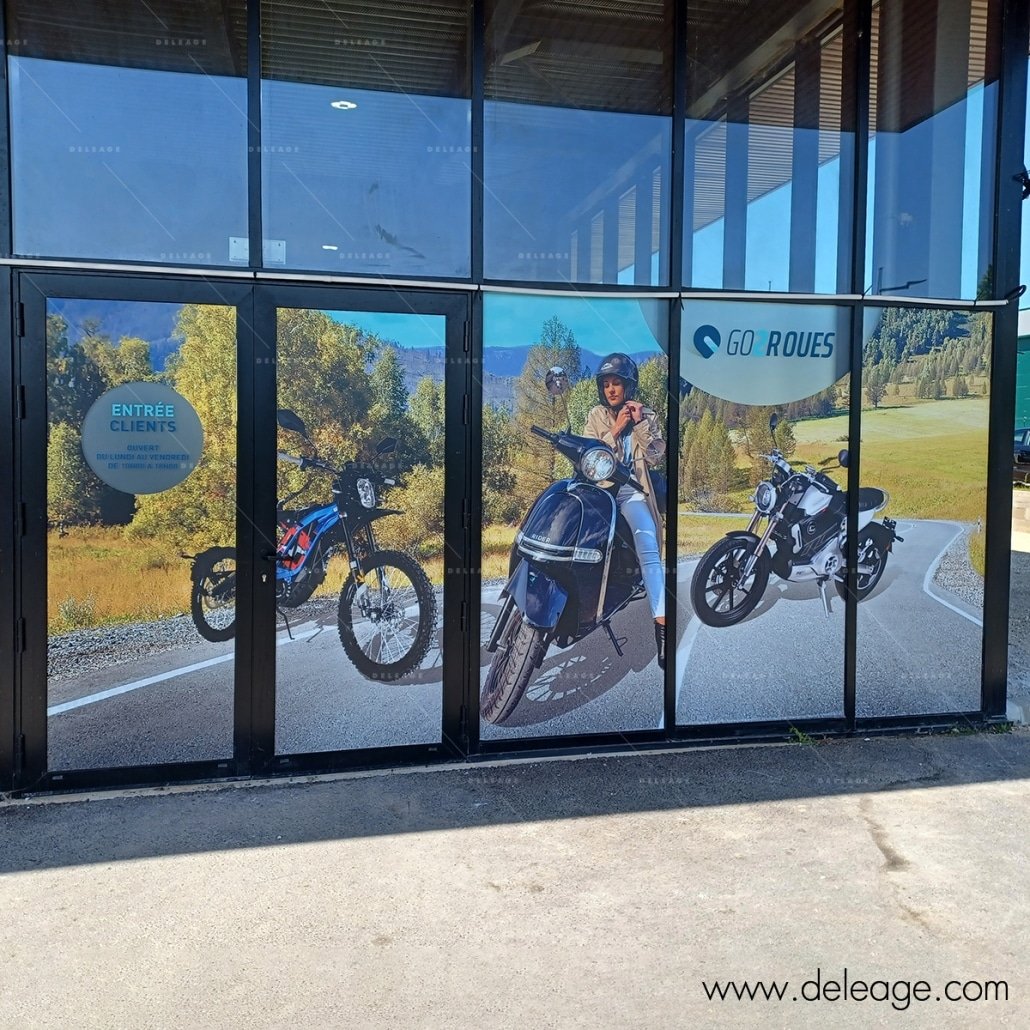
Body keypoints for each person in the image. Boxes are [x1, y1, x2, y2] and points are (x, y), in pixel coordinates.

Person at [583, 353, 667, 670]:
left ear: (628, 386)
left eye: (616, 383)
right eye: (606, 384)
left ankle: (662, 628)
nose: (611, 389)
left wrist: (641, 423)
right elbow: (588, 452)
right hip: (600, 492)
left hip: (631, 493)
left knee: (648, 549)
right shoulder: (596, 415)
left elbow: (656, 456)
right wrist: (617, 429)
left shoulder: (647, 415)